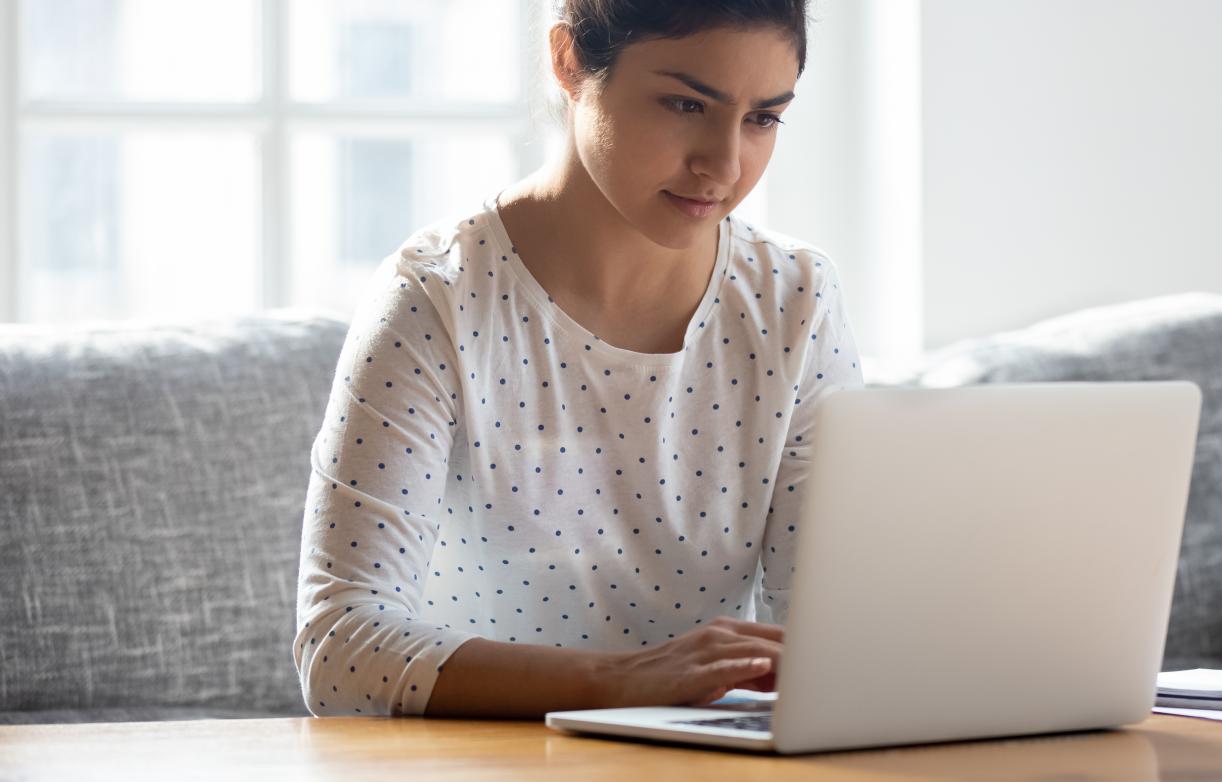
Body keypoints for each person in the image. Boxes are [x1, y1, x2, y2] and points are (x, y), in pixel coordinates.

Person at [292, 0, 864, 719]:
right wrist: (619, 682)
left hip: (711, 772)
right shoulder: (437, 296)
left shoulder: (796, 301)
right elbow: (340, 651)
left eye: (763, 118)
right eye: (686, 103)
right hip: (481, 768)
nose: (724, 164)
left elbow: (829, 635)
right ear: (569, 62)